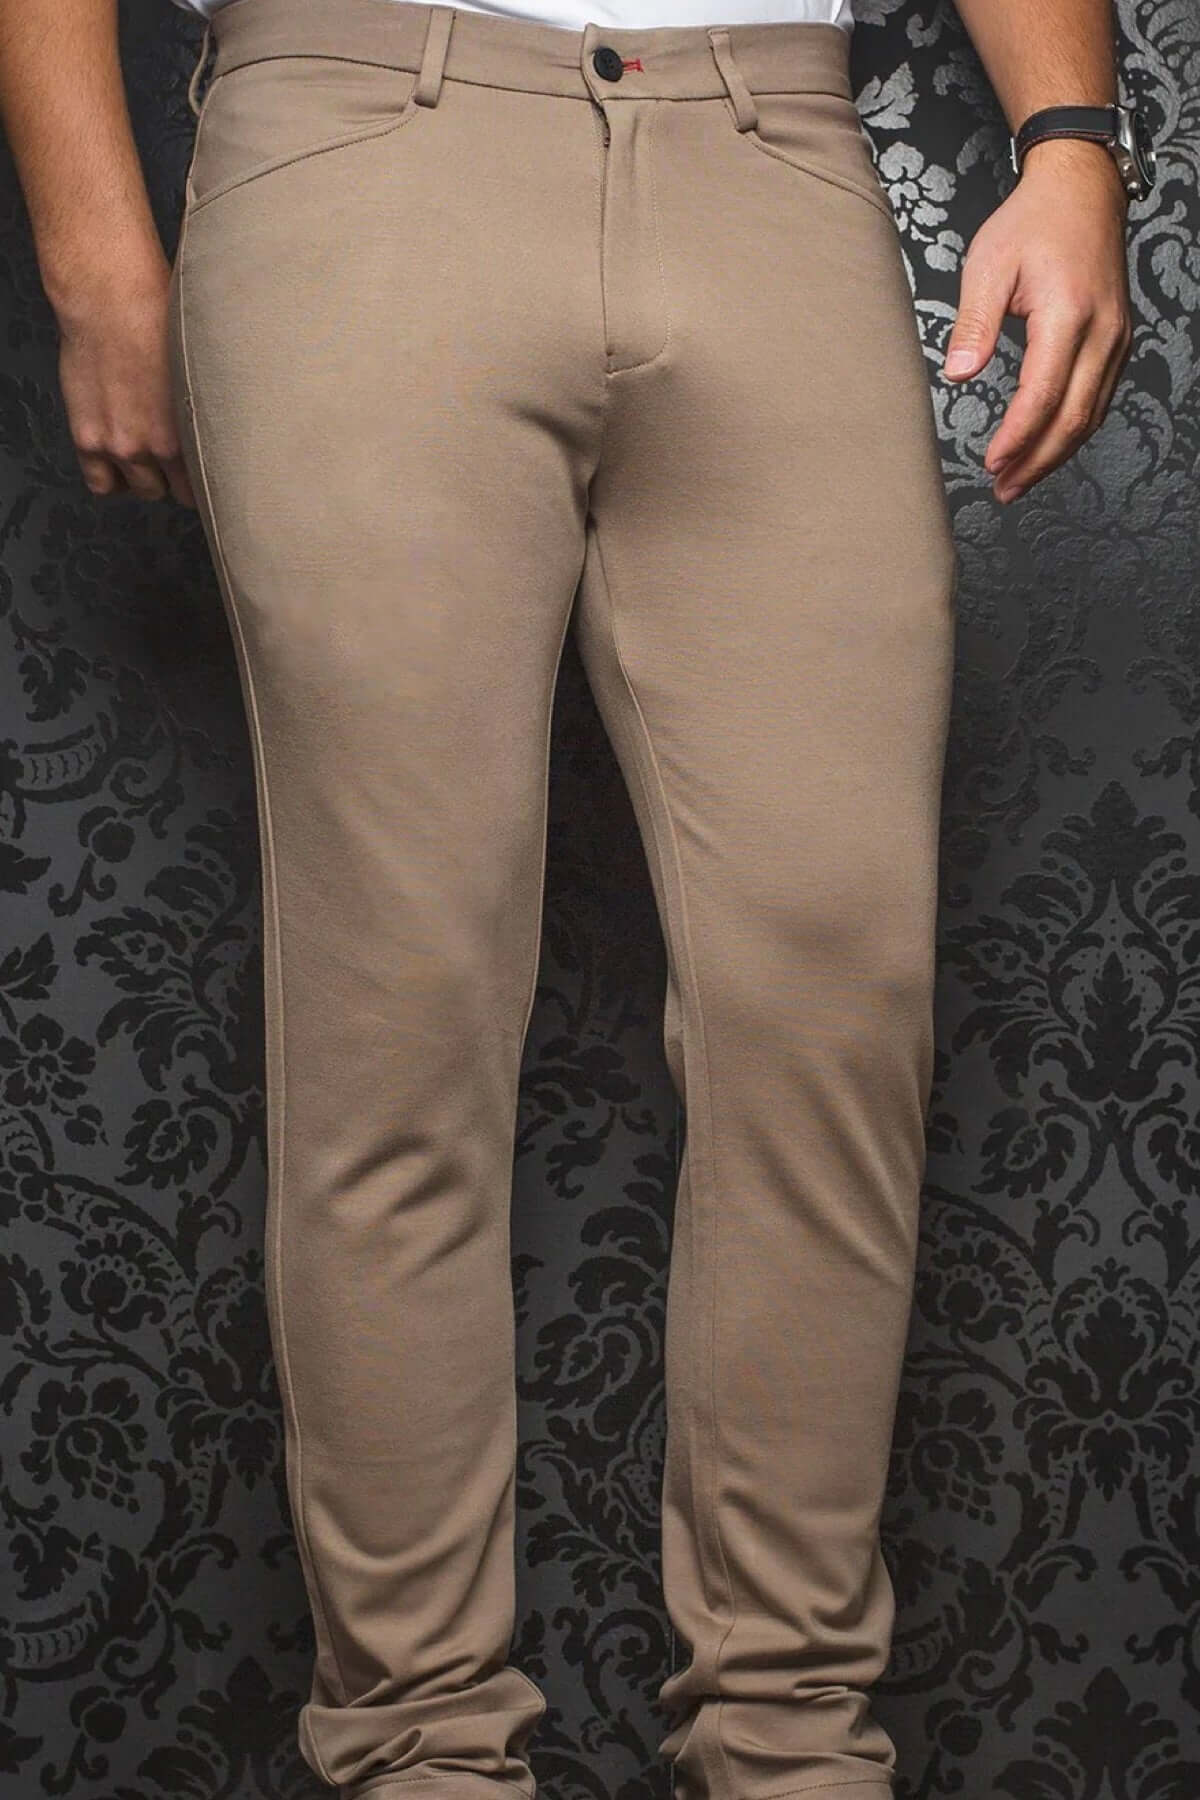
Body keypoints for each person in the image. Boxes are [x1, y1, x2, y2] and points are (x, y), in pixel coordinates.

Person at [0, 0, 1145, 1795]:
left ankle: (790, 1746)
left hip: (772, 150)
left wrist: (1073, 144)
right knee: (399, 1016)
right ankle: (423, 1747)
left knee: (835, 1005)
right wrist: (94, 253)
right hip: (364, 139)